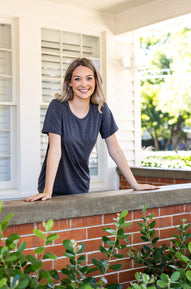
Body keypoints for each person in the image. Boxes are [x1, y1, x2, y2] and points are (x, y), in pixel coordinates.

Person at [24, 58, 158, 202]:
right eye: (77, 79)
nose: (84, 84)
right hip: (53, 188)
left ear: (95, 81)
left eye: (89, 78)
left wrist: (135, 184)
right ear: (70, 82)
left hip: (81, 187)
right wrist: (47, 191)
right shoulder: (58, 107)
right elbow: (55, 150)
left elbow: (115, 149)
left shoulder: (101, 110)